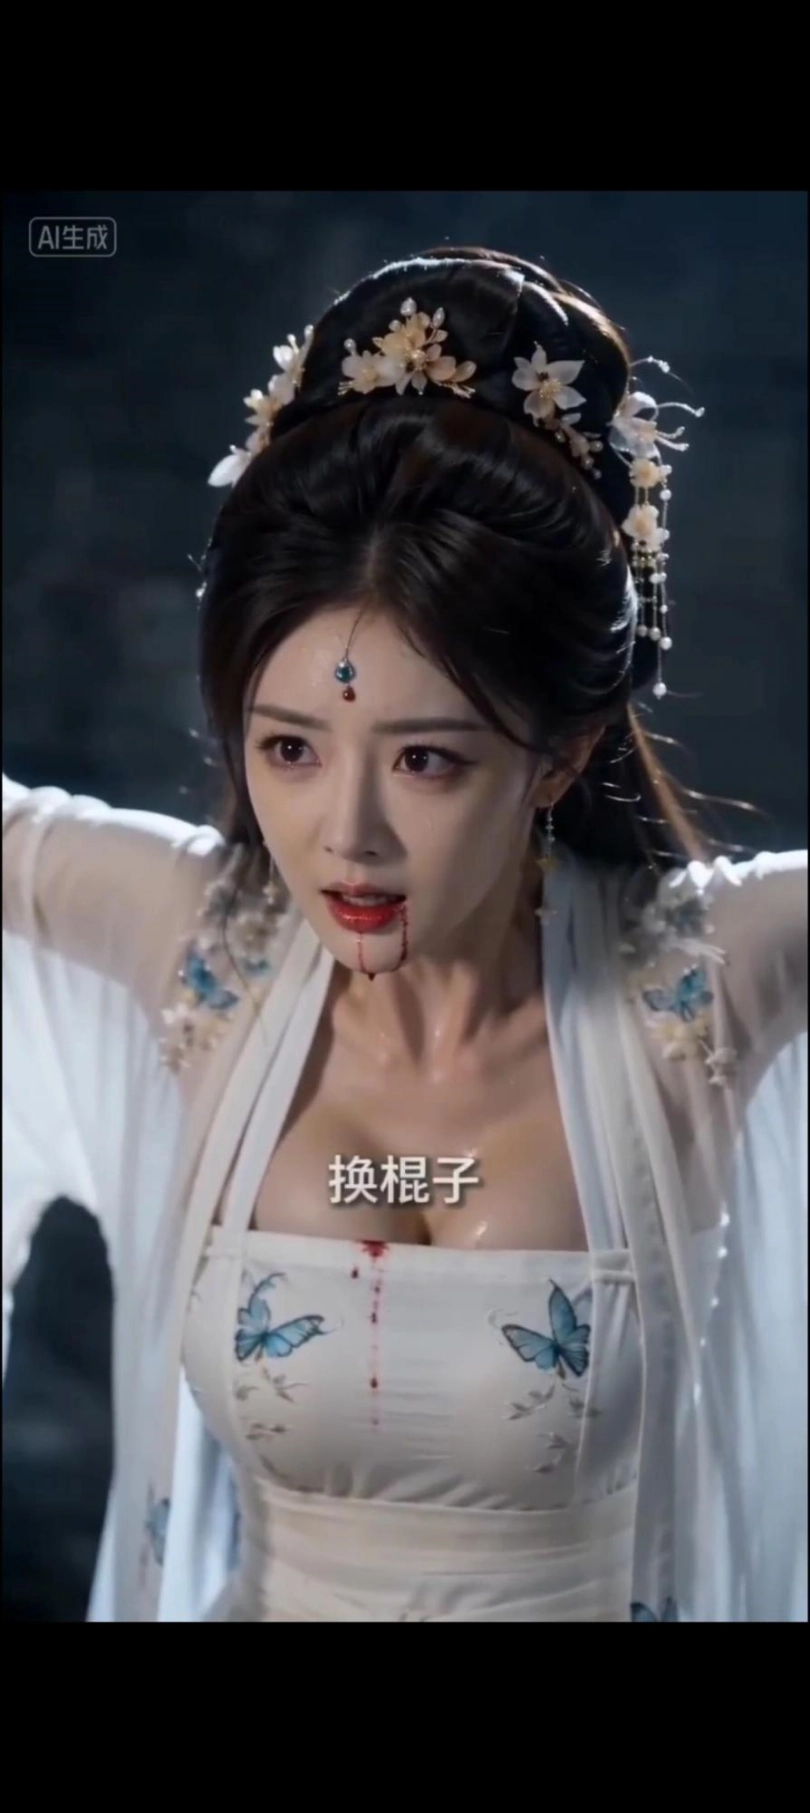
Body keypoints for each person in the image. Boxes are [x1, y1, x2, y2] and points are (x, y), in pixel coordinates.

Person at [3, 247, 806, 1623]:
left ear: (559, 755)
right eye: (290, 749)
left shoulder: (697, 984)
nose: (347, 837)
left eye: (426, 760)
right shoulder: (208, 949)